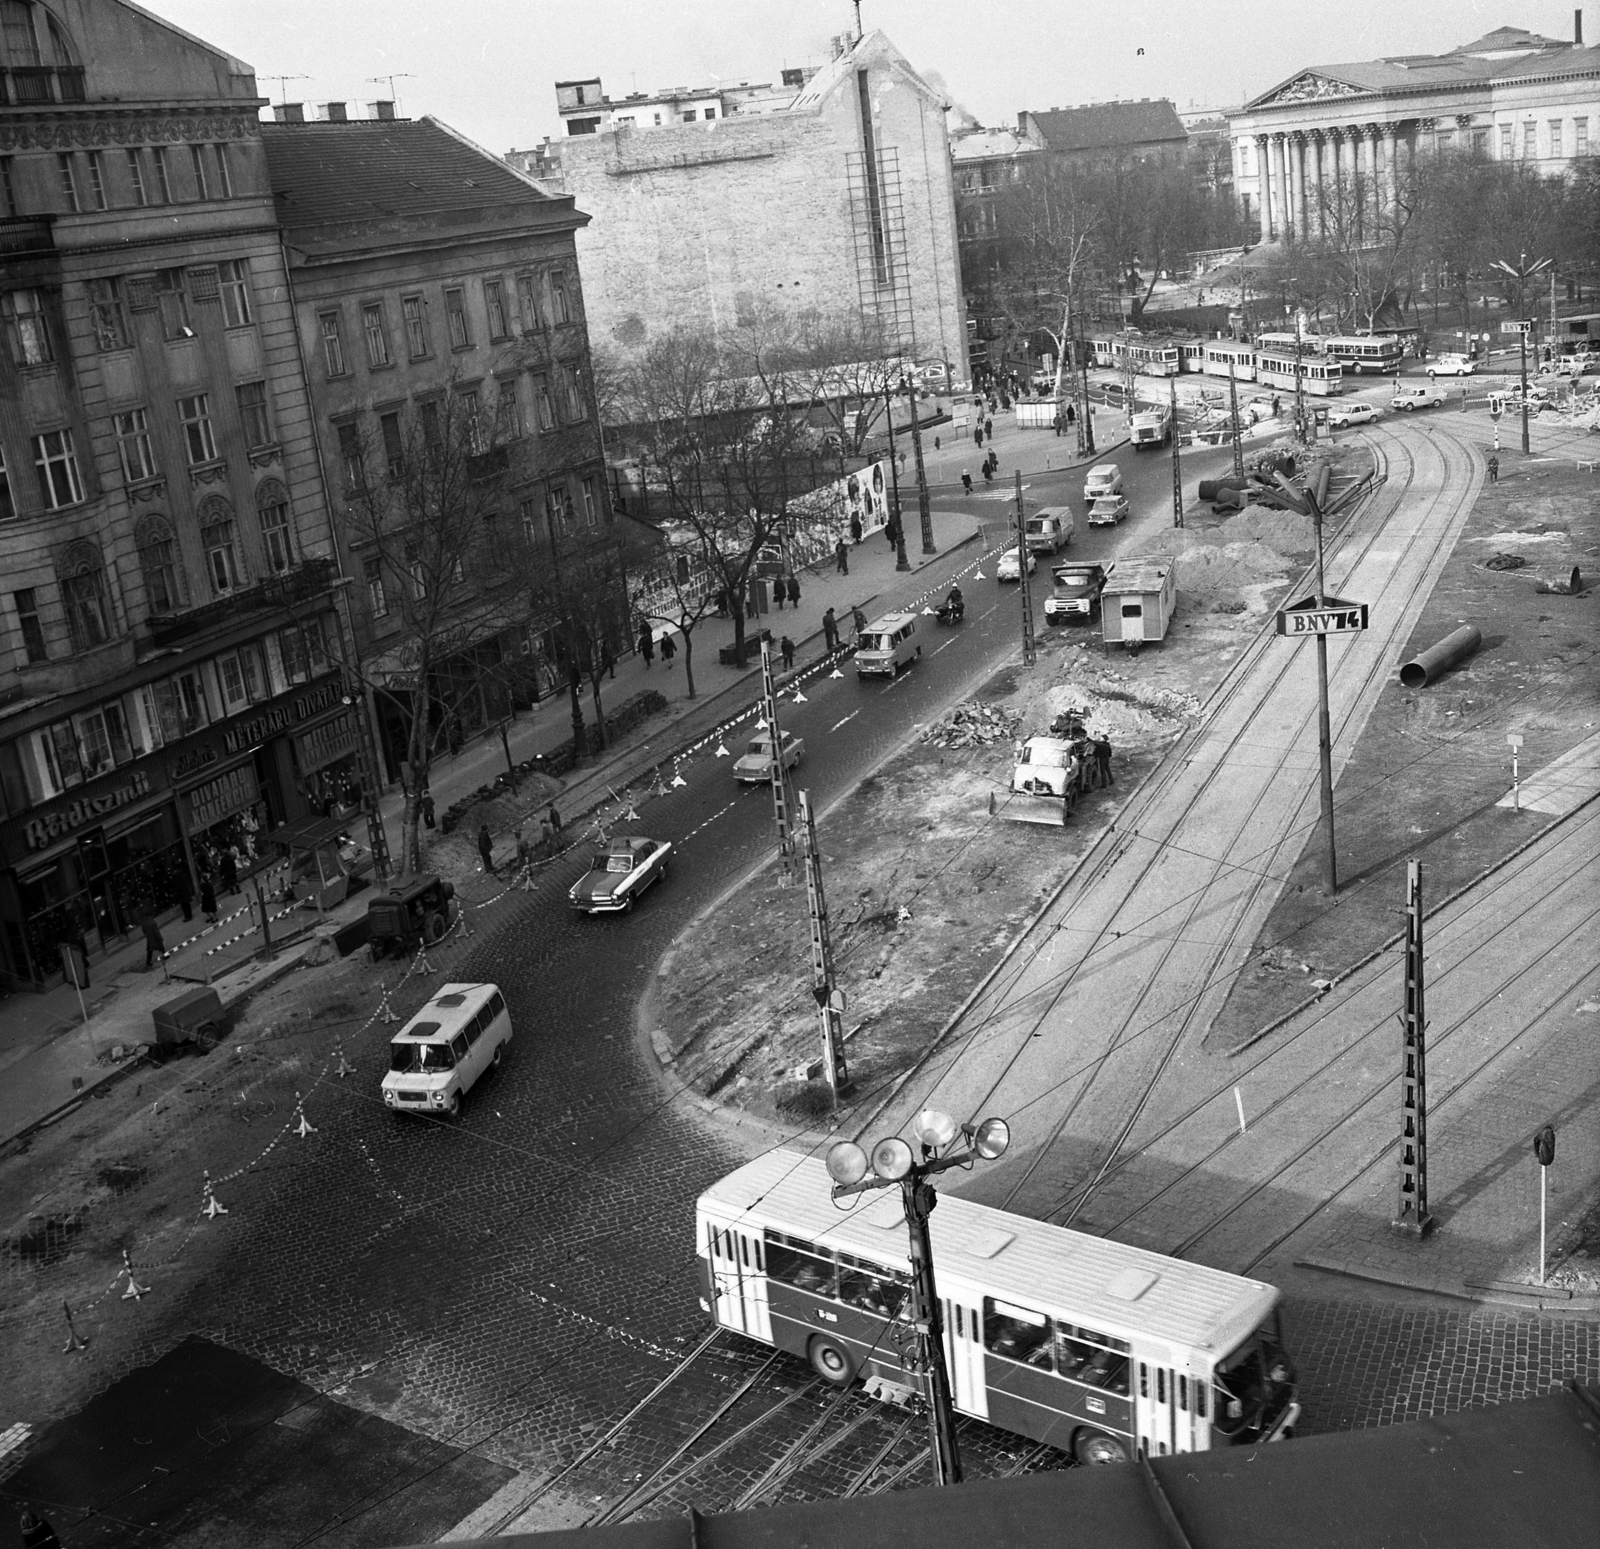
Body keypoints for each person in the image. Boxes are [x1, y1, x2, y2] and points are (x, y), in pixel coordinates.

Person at [139, 904, 164, 971]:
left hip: (150, 938)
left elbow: (143, 930)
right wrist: (160, 938)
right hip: (155, 937)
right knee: (161, 946)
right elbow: (156, 932)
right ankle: (165, 955)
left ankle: (148, 962)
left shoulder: (145, 923)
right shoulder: (153, 923)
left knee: (150, 950)